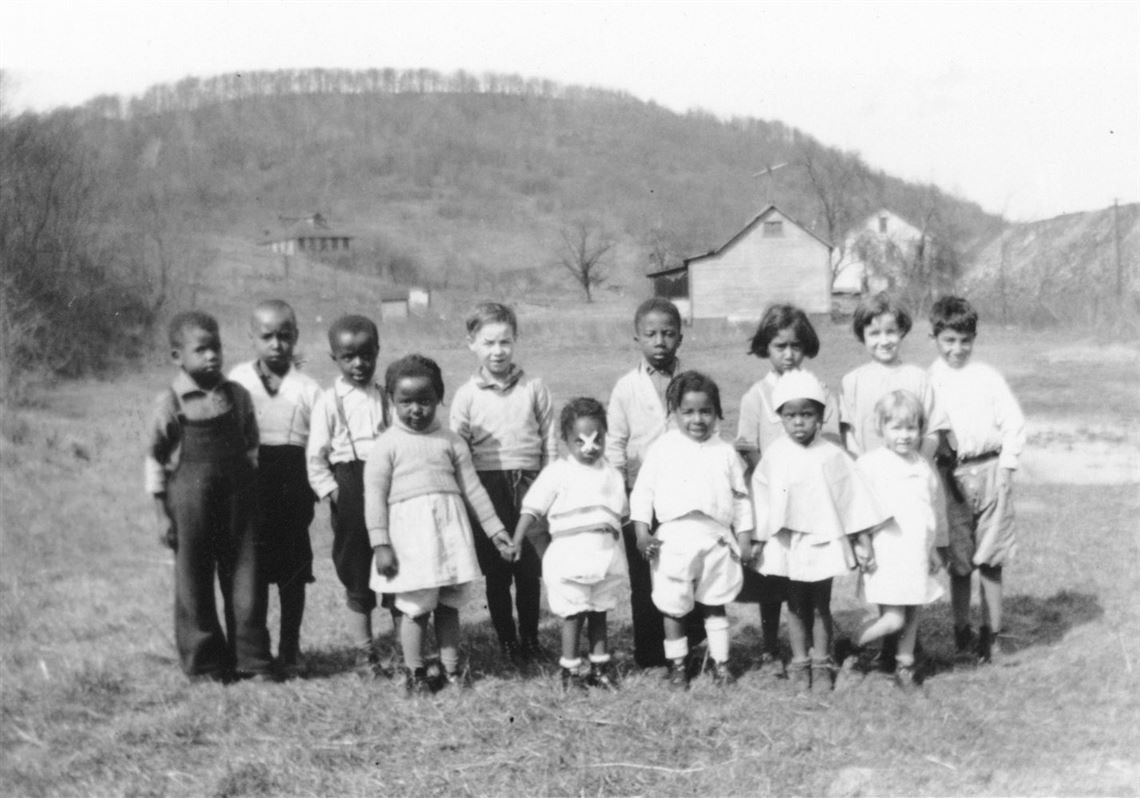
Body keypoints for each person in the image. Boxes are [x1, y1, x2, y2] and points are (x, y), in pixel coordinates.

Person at [366, 355, 512, 694]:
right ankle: (416, 673)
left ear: (439, 398)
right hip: (411, 541)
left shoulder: (451, 441)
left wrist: (496, 530)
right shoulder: (386, 445)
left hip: (448, 535)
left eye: (424, 401)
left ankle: (450, 671)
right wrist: (380, 544)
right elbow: (373, 495)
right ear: (392, 401)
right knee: (416, 608)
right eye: (406, 402)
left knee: (448, 604)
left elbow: (472, 489)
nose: (415, 409)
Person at [146, 311, 274, 683]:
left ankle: (251, 659)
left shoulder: (236, 396)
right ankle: (205, 664)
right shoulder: (170, 402)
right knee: (193, 582)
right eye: (201, 350)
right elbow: (154, 458)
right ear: (177, 356)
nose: (212, 356)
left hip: (238, 502)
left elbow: (251, 445)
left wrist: (247, 490)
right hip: (189, 505)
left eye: (215, 347)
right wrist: (161, 513)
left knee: (247, 579)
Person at [751, 371, 887, 692]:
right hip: (791, 543)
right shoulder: (776, 455)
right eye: (791, 415)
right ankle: (800, 661)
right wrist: (758, 538)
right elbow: (763, 497)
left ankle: (822, 661)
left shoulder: (832, 455)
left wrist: (861, 537)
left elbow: (851, 498)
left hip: (822, 542)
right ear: (780, 418)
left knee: (820, 605)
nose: (799, 422)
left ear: (821, 417)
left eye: (807, 414)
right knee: (796, 604)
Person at [631, 371, 753, 689]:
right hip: (673, 540)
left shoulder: (724, 451)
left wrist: (744, 538)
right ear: (674, 413)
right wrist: (642, 533)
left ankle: (721, 663)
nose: (697, 419)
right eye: (688, 411)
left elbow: (741, 498)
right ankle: (677, 665)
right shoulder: (662, 449)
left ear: (717, 413)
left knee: (715, 601)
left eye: (705, 411)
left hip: (715, 539)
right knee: (674, 605)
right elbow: (643, 493)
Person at [450, 302, 557, 664]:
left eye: (505, 342)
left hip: (530, 484)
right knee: (497, 573)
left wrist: (550, 487)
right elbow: (456, 447)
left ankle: (530, 638)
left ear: (515, 341)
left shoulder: (534, 387)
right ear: (472, 344)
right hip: (487, 487)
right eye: (489, 343)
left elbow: (551, 440)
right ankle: (507, 642)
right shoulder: (466, 395)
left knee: (529, 570)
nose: (498, 351)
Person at [927, 296, 1025, 664]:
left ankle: (992, 637)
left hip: (990, 470)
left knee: (992, 559)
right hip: (950, 476)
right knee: (960, 561)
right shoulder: (929, 380)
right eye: (949, 340)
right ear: (936, 336)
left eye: (965, 340)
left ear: (974, 338)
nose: (957, 348)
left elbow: (1013, 423)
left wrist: (1006, 467)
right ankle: (961, 634)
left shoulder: (987, 377)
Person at [606, 298, 703, 668]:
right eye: (651, 334)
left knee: (685, 567)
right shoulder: (626, 388)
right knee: (645, 572)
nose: (659, 341)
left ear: (680, 337)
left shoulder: (692, 382)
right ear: (637, 338)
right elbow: (615, 443)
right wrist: (622, 496)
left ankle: (690, 643)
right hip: (642, 496)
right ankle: (649, 650)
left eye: (668, 333)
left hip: (686, 493)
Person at [229, 300, 321, 678]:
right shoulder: (237, 381)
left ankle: (291, 646)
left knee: (293, 572)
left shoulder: (308, 388)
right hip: (252, 485)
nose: (277, 345)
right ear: (253, 338)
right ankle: (258, 649)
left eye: (285, 336)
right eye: (267, 336)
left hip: (293, 484)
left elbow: (320, 441)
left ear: (296, 337)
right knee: (255, 570)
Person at [511, 397, 629, 692]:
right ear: (565, 441)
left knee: (599, 610)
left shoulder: (612, 474)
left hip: (605, 552)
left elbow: (622, 516)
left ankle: (600, 668)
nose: (590, 448)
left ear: (605, 436)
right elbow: (532, 508)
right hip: (570, 554)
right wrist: (515, 540)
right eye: (580, 441)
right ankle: (571, 670)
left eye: (597, 439)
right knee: (574, 613)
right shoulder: (557, 472)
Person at [734, 303, 827, 674]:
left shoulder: (815, 389)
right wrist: (771, 478)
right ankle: (771, 645)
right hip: (770, 494)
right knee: (771, 575)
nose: (788, 355)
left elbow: (824, 439)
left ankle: (809, 646)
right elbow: (747, 445)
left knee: (805, 570)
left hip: (808, 496)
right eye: (779, 346)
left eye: (795, 346)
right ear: (765, 348)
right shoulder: (756, 395)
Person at [307, 314, 395, 676]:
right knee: (357, 574)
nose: (359, 364)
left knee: (395, 570)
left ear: (377, 352)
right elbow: (315, 457)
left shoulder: (388, 397)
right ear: (335, 359)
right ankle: (365, 653)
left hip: (389, 489)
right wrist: (334, 493)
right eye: (348, 357)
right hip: (350, 488)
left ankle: (407, 649)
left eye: (366, 355)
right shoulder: (329, 401)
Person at [842, 391, 948, 689]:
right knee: (894, 617)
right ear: (881, 428)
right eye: (896, 428)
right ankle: (853, 646)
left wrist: (932, 551)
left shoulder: (922, 466)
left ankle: (905, 664)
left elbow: (927, 510)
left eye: (911, 428)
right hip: (886, 552)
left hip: (915, 551)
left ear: (921, 430)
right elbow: (857, 509)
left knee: (914, 606)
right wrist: (862, 543)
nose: (904, 435)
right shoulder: (871, 464)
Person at [839, 292, 943, 457]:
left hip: (911, 474)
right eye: (874, 333)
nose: (884, 341)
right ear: (862, 336)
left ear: (901, 331)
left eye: (890, 331)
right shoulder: (852, 381)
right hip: (868, 475)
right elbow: (849, 433)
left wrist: (917, 468)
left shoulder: (919, 378)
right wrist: (861, 469)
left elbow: (932, 432)